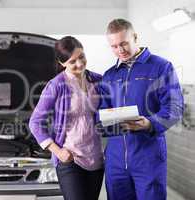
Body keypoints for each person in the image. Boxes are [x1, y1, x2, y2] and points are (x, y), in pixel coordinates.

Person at [100, 18, 184, 200]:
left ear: (135, 37)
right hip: (115, 158)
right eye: (114, 46)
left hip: (148, 155)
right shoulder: (109, 75)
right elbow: (102, 111)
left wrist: (149, 123)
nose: (120, 50)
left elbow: (175, 107)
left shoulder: (161, 67)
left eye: (124, 43)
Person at [29, 36, 104, 200]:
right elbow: (35, 122)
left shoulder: (98, 80)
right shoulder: (56, 85)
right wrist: (58, 151)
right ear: (62, 63)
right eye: (72, 61)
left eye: (82, 57)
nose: (79, 64)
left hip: (96, 158)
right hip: (70, 158)